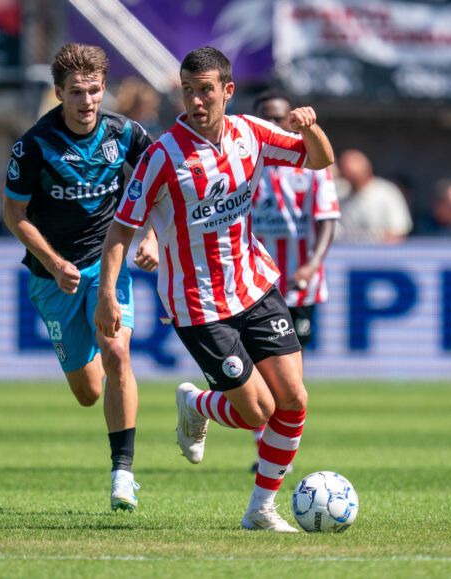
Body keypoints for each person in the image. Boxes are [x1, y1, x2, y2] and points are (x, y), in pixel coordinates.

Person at [95, 46, 334, 532]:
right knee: (256, 412)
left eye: (205, 90)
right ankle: (197, 404)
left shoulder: (251, 131)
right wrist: (106, 294)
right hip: (198, 304)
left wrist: (310, 127)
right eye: (187, 91)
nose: (195, 101)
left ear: (227, 91)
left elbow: (319, 159)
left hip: (256, 285)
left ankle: (261, 510)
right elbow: (121, 229)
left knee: (294, 400)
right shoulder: (163, 156)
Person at [1, 43, 157, 512]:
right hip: (54, 278)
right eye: (76, 93)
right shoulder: (33, 145)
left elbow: (161, 185)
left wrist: (151, 237)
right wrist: (51, 261)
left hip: (107, 263)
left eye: (93, 91)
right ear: (58, 93)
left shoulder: (126, 134)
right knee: (89, 392)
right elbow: (13, 213)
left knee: (117, 352)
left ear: (103, 89)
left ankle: (123, 475)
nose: (86, 101)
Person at [248, 89, 341, 472]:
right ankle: (265, 452)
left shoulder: (310, 167)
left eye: (279, 118)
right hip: (253, 285)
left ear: (292, 120)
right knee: (259, 370)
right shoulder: (245, 165)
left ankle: (275, 448)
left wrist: (311, 265)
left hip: (300, 286)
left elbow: (328, 221)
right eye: (265, 118)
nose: (273, 125)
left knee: (289, 378)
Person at [335, 149, 412, 244]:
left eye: (352, 174)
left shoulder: (387, 192)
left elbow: (399, 231)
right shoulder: (340, 193)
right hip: (346, 254)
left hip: (380, 255)